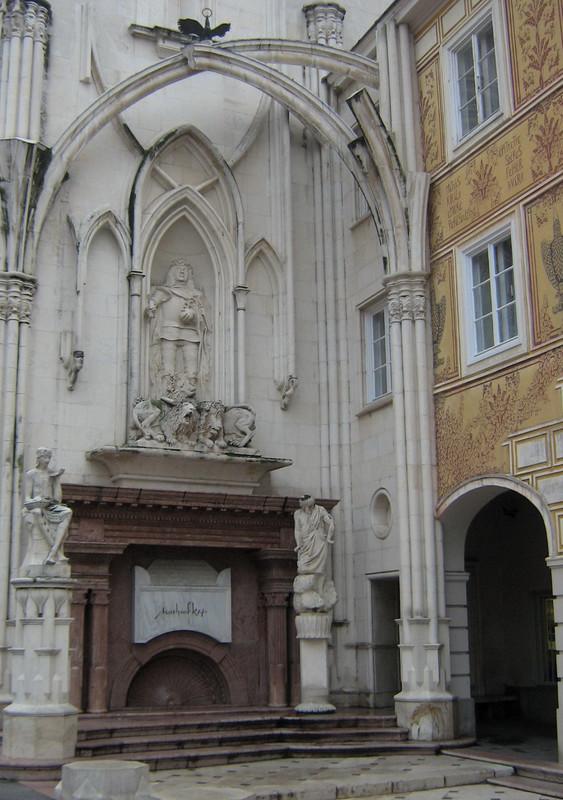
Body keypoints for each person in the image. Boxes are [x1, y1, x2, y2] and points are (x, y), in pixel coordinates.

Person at [146, 259, 209, 397]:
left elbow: (203, 316)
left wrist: (193, 313)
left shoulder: (195, 294)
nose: (182, 271)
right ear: (172, 272)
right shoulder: (165, 291)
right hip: (169, 331)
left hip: (190, 333)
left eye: (185, 270)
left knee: (192, 369)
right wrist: (151, 306)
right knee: (168, 368)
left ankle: (190, 394)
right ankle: (168, 393)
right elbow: (153, 302)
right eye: (179, 269)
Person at [23, 448, 72, 566]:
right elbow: (27, 498)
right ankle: (56, 553)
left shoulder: (51, 474)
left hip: (50, 506)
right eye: (45, 457)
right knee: (37, 512)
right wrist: (36, 500)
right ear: (39, 458)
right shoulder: (31, 474)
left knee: (67, 511)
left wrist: (57, 479)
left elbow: (57, 500)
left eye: (49, 458)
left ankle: (53, 553)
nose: (47, 460)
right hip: (36, 505)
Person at [293, 494, 335, 575]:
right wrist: (298, 544)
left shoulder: (320, 510)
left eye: (309, 507)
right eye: (304, 507)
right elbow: (297, 530)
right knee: (302, 566)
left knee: (319, 568)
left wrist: (329, 536)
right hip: (305, 543)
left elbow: (329, 522)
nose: (307, 509)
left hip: (318, 540)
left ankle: (317, 577)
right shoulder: (298, 513)